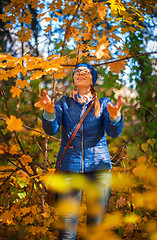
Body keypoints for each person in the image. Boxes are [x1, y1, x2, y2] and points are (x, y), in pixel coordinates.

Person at [40, 63, 123, 240]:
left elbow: (113, 132)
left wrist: (115, 118)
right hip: (70, 170)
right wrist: (49, 113)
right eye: (78, 71)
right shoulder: (64, 103)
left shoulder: (104, 103)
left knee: (95, 227)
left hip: (99, 170)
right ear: (74, 79)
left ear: (92, 79)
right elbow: (51, 130)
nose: (81, 73)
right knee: (67, 230)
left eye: (86, 72)